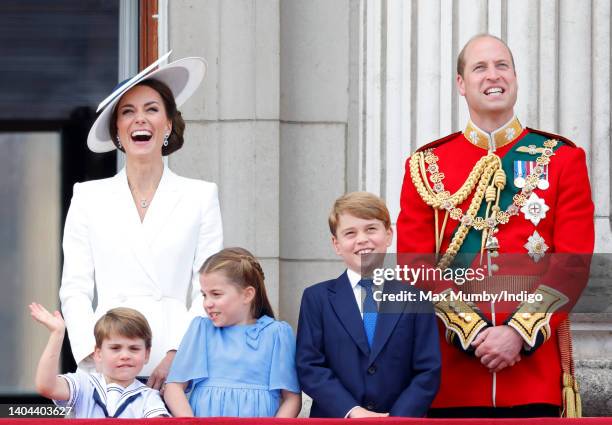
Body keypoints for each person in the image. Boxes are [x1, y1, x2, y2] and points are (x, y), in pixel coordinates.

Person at [397, 34, 594, 417]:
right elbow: (415, 265)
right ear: (461, 84)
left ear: (515, 78)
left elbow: (572, 263)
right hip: (450, 381)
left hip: (533, 378)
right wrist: (475, 333)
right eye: (480, 67)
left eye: (502, 65)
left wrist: (518, 333)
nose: (493, 76)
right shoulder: (426, 165)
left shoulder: (561, 159)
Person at [59, 52, 223, 389]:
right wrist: (94, 354)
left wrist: (179, 353)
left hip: (175, 360)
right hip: (107, 357)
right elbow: (74, 288)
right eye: (128, 112)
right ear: (117, 130)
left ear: (167, 124)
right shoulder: (88, 196)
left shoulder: (200, 196)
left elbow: (209, 288)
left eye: (151, 110)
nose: (140, 120)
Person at [296, 192, 441, 418]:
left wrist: (395, 419)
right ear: (336, 244)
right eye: (350, 233)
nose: (362, 239)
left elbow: (427, 371)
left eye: (371, 229)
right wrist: (352, 412)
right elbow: (310, 366)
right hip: (337, 419)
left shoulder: (416, 298)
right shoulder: (317, 299)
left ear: (389, 235)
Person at [164, 247, 302, 417]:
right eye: (204, 295)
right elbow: (174, 387)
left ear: (247, 295)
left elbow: (291, 398)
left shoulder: (276, 334)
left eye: (216, 294)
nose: (207, 303)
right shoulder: (201, 330)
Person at [29, 304, 169, 418]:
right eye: (115, 348)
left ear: (146, 354)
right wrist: (57, 334)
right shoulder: (83, 384)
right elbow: (46, 386)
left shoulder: (149, 397)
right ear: (98, 354)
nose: (125, 355)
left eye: (134, 349)